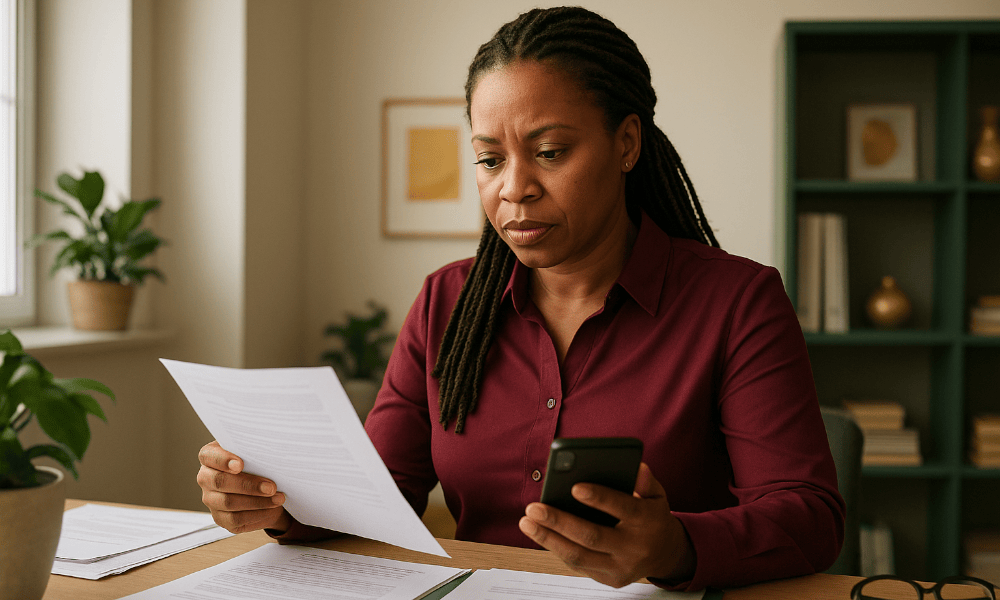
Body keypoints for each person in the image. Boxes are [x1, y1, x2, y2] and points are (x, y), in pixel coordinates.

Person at [196, 6, 845, 591]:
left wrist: (673, 546)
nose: (514, 188)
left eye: (550, 152)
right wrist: (277, 502)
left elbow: (810, 518)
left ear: (626, 143)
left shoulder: (738, 302)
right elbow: (377, 498)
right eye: (489, 160)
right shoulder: (445, 302)